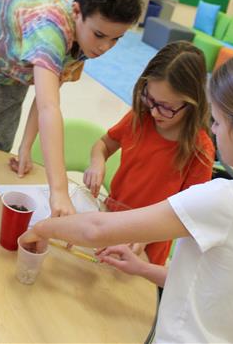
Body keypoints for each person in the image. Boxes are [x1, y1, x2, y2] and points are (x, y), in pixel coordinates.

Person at [20, 46, 233, 343]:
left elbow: (96, 228)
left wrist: (42, 227)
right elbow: (208, 291)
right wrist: (142, 268)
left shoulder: (226, 200)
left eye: (217, 122)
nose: (215, 132)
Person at [0, 0, 142, 217]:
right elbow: (48, 108)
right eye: (100, 36)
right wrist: (59, 190)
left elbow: (49, 94)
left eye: (116, 39)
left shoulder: (85, 37)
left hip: (16, 67)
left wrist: (26, 145)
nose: (104, 47)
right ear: (77, 12)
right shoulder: (50, 31)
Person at [83, 41, 214, 266]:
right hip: (110, 224)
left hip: (147, 251)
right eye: (149, 99)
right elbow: (103, 145)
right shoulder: (140, 117)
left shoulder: (200, 151)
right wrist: (97, 162)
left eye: (165, 106)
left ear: (192, 103)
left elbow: (188, 215)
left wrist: (146, 235)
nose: (154, 112)